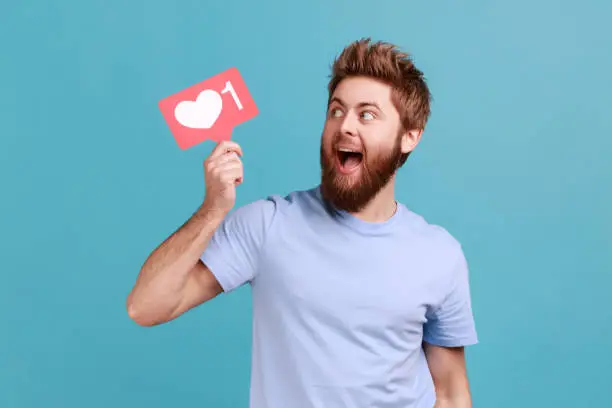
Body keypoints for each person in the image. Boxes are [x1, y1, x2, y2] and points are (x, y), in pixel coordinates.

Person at [127, 38, 478, 408]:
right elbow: (146, 306)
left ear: (409, 137)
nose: (345, 126)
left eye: (367, 114)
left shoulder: (440, 255)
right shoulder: (267, 226)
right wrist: (212, 210)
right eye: (336, 111)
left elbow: (451, 393)